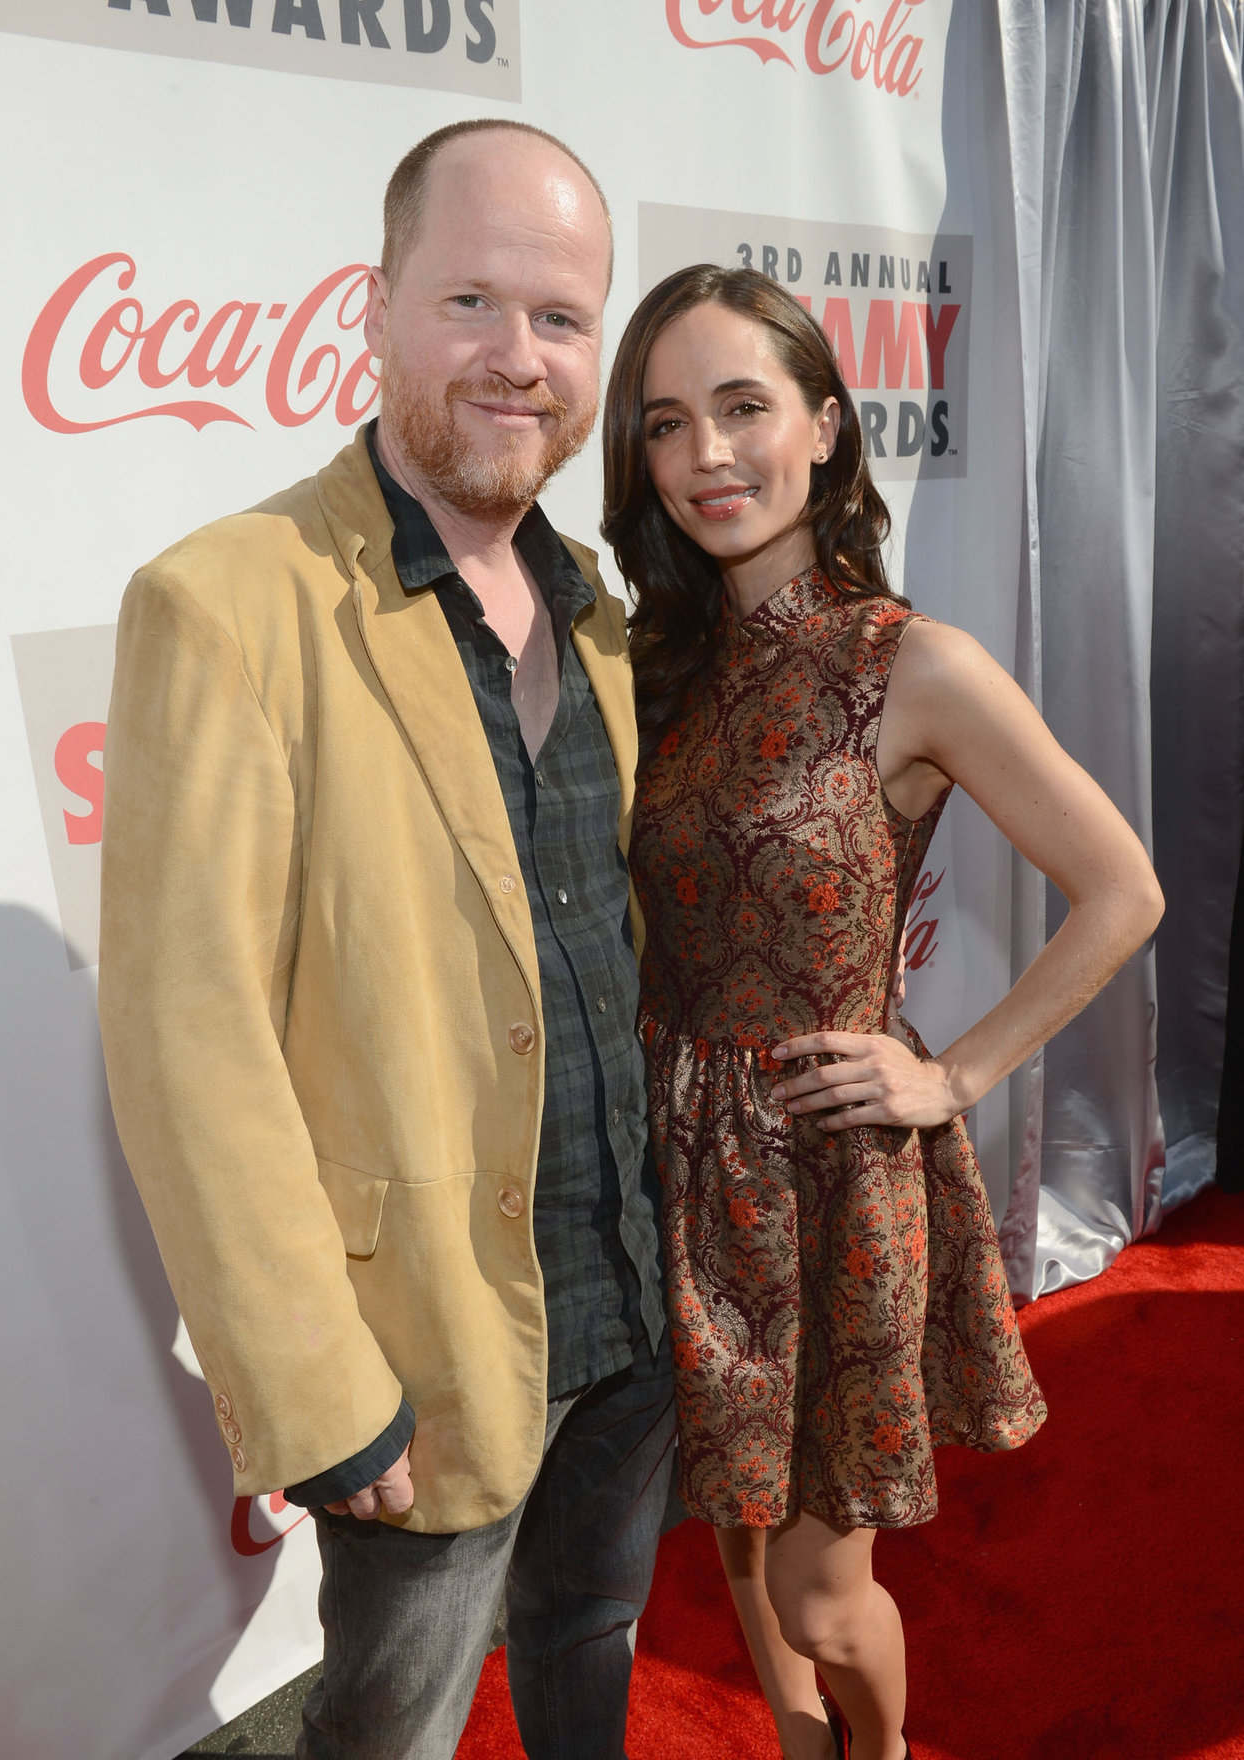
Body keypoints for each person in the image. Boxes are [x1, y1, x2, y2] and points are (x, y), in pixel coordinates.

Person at [100, 119, 685, 1760]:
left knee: (588, 1640)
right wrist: (314, 1389)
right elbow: (184, 1037)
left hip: (631, 1305)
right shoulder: (224, 603)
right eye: (470, 303)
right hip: (417, 1352)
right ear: (373, 305)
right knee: (393, 1729)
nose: (518, 359)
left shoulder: (604, 616)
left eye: (562, 319)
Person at [600, 264, 1165, 1760]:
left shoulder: (911, 663)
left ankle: (880, 1750)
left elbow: (1122, 889)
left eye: (742, 409)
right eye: (667, 424)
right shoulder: (658, 665)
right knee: (735, 1526)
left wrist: (955, 1074)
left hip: (825, 1166)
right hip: (683, 1161)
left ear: (828, 429)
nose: (707, 455)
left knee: (822, 1588)